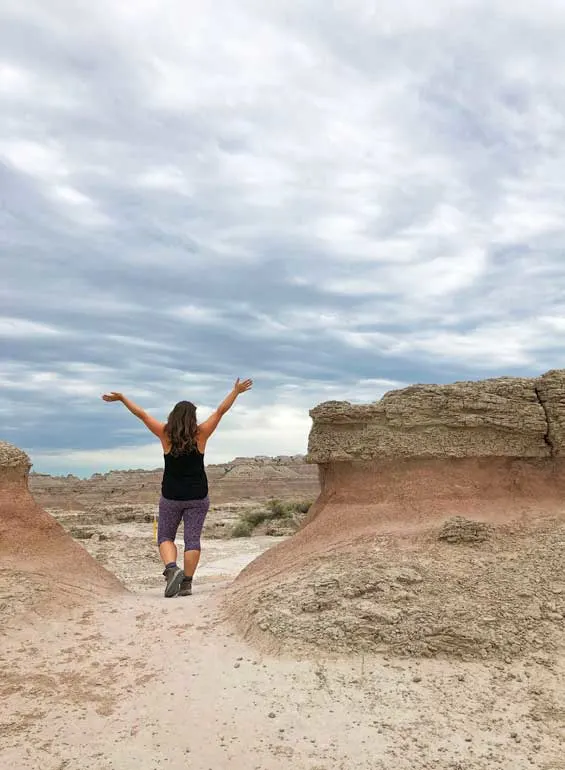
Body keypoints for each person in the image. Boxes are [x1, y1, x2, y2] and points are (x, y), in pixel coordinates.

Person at [101, 378, 253, 597]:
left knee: (165, 537)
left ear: (173, 416)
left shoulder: (165, 434)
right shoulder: (201, 434)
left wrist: (123, 398)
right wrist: (235, 392)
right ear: (193, 418)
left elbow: (142, 414)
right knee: (192, 539)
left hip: (171, 495)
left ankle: (172, 569)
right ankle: (187, 584)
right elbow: (220, 411)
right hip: (198, 496)